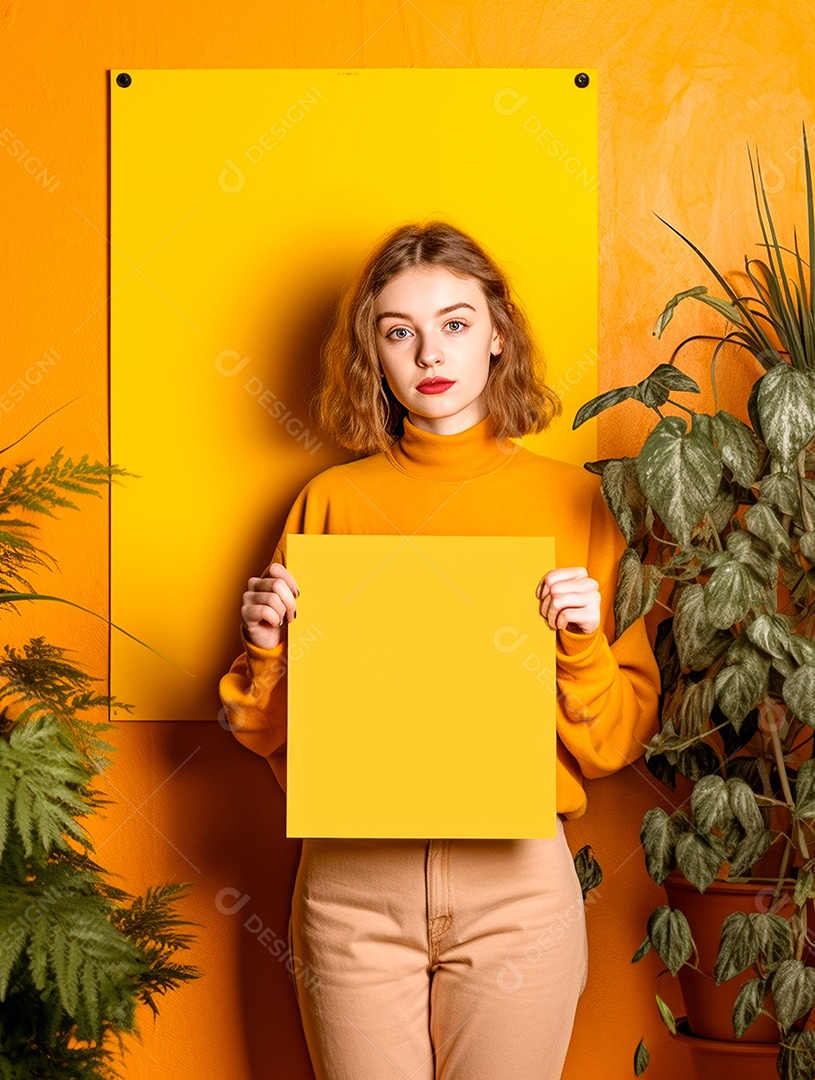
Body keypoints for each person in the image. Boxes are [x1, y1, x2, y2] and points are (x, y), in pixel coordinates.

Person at [218, 220, 660, 1080]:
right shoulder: (330, 501)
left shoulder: (577, 504)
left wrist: (579, 646)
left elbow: (614, 743)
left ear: (497, 334)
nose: (429, 353)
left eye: (455, 323)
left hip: (516, 886)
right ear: (372, 354)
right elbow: (261, 732)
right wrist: (266, 650)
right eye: (399, 331)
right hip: (350, 885)